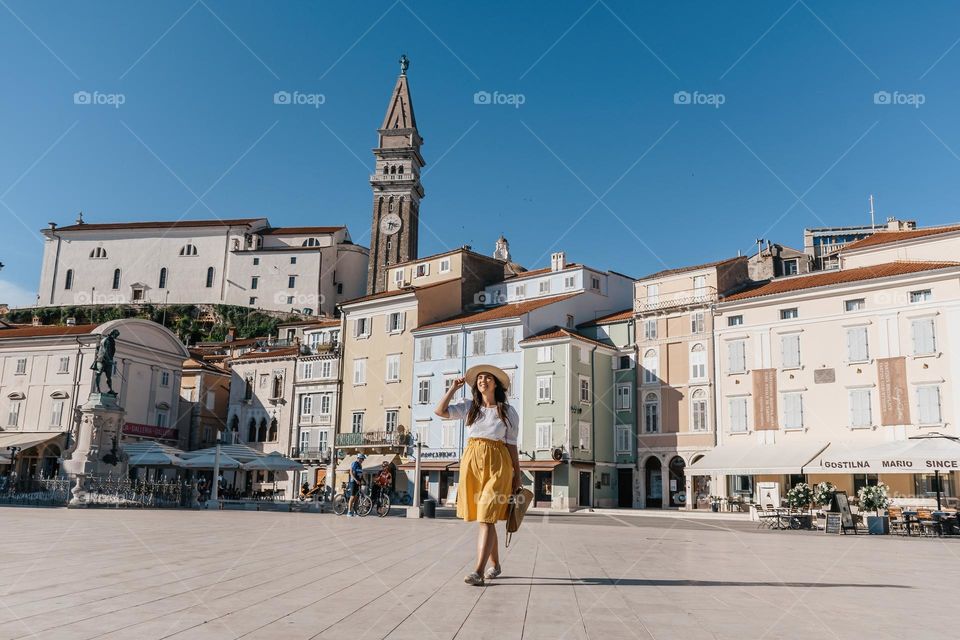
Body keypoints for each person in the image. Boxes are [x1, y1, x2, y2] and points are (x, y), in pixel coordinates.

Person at [435, 364, 521, 587]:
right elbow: (440, 411)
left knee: (486, 516)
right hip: (472, 462)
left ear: (496, 383)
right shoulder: (469, 407)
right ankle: (496, 565)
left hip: (498, 463)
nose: (483, 380)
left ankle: (478, 571)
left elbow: (512, 446)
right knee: (486, 519)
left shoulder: (508, 411)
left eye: (488, 378)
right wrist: (453, 389)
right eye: (480, 378)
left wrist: (517, 476)